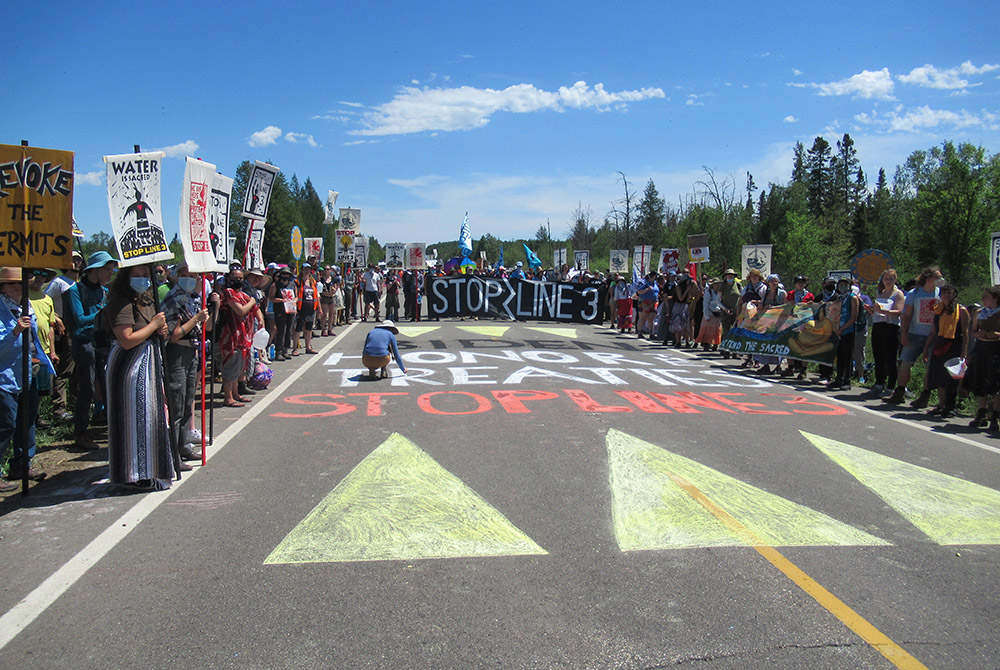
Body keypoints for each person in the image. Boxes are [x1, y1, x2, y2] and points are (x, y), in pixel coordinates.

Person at [104, 264, 175, 489]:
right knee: (134, 420)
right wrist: (154, 326)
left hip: (147, 363)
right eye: (137, 275)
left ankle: (148, 470)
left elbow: (152, 331)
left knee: (148, 419)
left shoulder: (147, 300)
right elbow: (127, 339)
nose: (142, 279)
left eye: (146, 275)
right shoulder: (121, 302)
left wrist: (159, 330)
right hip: (129, 366)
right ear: (126, 277)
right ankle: (132, 474)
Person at [0, 267, 57, 491]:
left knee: (27, 421)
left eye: (21, 283)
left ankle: (22, 464)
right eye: (13, 284)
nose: (18, 287)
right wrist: (14, 332)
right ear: (3, 287)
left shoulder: (26, 307)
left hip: (28, 372)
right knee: (5, 424)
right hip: (4, 375)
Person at [162, 263, 214, 462]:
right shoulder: (174, 299)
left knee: (187, 401)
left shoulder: (194, 299)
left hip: (192, 351)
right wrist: (195, 320)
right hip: (177, 352)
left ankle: (183, 446)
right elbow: (174, 335)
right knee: (176, 401)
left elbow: (207, 326)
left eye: (194, 276)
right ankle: (173, 452)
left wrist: (212, 307)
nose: (191, 279)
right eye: (186, 275)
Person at [66, 251, 117, 450]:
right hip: (84, 343)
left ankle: (109, 424)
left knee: (107, 385)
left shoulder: (103, 291)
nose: (110, 275)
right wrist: (103, 311)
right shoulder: (75, 291)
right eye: (107, 270)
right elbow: (79, 319)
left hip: (101, 342)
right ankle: (81, 432)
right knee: (86, 387)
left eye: (112, 271)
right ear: (95, 269)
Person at [886, 268, 942, 405]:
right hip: (915, 334)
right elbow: (907, 315)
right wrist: (904, 334)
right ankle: (900, 392)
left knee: (929, 367)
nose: (941, 280)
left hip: (933, 336)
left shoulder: (940, 293)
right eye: (938, 277)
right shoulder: (914, 293)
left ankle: (925, 396)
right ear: (929, 279)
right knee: (905, 363)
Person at [45, 250, 83, 420]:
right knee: (66, 369)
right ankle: (59, 408)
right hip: (66, 330)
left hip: (80, 330)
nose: (76, 262)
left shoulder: (81, 283)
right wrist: (56, 318)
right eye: (73, 259)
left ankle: (76, 404)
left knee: (79, 370)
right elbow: (46, 302)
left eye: (79, 260)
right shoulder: (59, 283)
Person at [923, 284, 969, 419]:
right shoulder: (938, 310)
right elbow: (933, 330)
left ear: (954, 294)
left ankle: (950, 406)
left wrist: (964, 350)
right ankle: (941, 404)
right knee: (938, 375)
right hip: (939, 343)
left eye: (949, 293)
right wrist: (926, 347)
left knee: (951, 377)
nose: (946, 295)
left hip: (954, 345)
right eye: (944, 293)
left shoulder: (961, 310)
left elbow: (965, 332)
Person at [219, 268, 257, 407]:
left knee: (239, 367)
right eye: (235, 278)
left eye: (241, 278)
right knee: (231, 366)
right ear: (229, 278)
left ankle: (235, 394)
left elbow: (255, 308)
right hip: (231, 335)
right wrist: (252, 302)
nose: (238, 280)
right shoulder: (228, 292)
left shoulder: (241, 294)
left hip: (243, 336)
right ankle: (228, 397)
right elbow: (240, 310)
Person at [966, 285, 1000, 430]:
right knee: (980, 379)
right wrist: (978, 334)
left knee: (996, 384)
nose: (982, 299)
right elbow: (974, 331)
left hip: (996, 349)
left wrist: (997, 335)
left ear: (995, 298)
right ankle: (981, 413)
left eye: (986, 297)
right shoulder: (979, 313)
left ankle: (996, 416)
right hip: (981, 348)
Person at [869, 269, 905, 396]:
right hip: (878, 325)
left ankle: (890, 387)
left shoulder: (898, 294)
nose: (888, 281)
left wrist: (883, 311)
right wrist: (872, 310)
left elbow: (899, 312)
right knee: (878, 356)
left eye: (891, 279)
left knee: (890, 358)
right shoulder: (881, 293)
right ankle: (879, 383)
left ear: (895, 279)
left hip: (891, 327)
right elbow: (877, 312)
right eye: (886, 279)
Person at [829, 277, 860, 391]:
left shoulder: (853, 298)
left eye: (845, 285)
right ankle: (839, 378)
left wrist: (842, 328)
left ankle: (847, 379)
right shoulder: (839, 298)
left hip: (848, 330)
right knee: (840, 355)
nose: (843, 287)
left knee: (847, 356)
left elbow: (853, 317)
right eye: (841, 285)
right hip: (838, 331)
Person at [267, 267, 295, 361]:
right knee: (281, 330)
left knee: (289, 330)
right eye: (284, 274)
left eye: (287, 274)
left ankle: (285, 350)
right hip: (280, 310)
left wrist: (293, 301)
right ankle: (278, 351)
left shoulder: (292, 284)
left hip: (290, 310)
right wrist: (282, 300)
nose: (285, 276)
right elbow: (271, 298)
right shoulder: (275, 285)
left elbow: (296, 296)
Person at [293, 264, 319, 355]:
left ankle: (308, 347)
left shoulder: (313, 282)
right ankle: (295, 348)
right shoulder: (298, 282)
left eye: (309, 269)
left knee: (309, 329)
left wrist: (319, 308)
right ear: (302, 270)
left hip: (311, 308)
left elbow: (317, 296)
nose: (307, 271)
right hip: (301, 308)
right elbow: (296, 295)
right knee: (298, 329)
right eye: (305, 269)